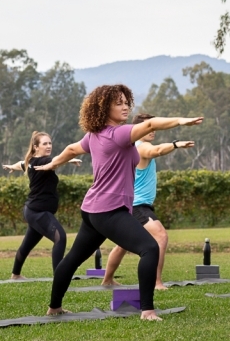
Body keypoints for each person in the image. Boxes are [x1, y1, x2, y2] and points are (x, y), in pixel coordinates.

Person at [35, 84, 203, 321]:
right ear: (104, 108)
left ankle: (54, 308)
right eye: (118, 103)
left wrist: (54, 163)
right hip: (109, 210)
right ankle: (147, 311)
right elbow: (151, 124)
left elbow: (72, 149)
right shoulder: (118, 133)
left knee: (73, 259)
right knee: (150, 248)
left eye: (126, 102)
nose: (125, 107)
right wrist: (180, 121)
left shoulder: (95, 134)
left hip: (93, 209)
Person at [101, 113, 195, 290]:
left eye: (153, 128)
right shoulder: (141, 147)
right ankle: (156, 282)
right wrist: (175, 144)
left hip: (133, 204)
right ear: (139, 129)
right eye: (149, 128)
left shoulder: (134, 147)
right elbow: (156, 151)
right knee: (160, 236)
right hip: (138, 206)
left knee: (122, 245)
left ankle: (107, 279)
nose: (152, 131)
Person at [2, 132, 82, 279]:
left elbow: (21, 164)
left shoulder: (31, 161)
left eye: (50, 143)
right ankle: (60, 276)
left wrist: (11, 166)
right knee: (60, 238)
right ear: (36, 147)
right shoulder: (42, 161)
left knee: (27, 245)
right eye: (45, 143)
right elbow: (56, 161)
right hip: (38, 211)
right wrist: (69, 160)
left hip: (33, 211)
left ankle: (15, 275)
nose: (48, 146)